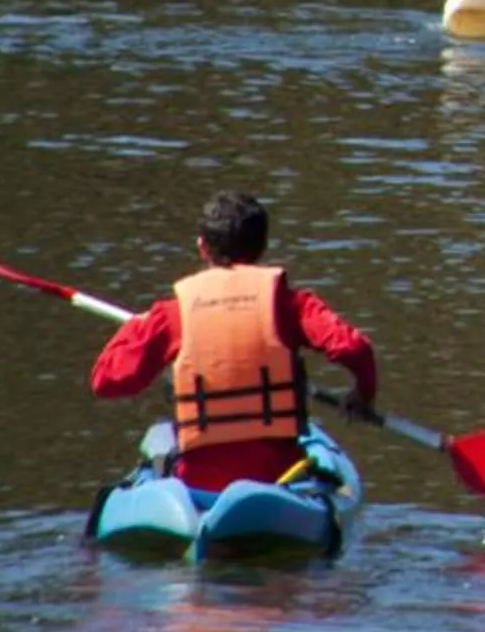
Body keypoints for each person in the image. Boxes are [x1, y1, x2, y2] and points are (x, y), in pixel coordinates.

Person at [90, 191, 379, 492]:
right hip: (278, 478)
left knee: (160, 439)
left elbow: (106, 380)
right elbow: (354, 348)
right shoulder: (289, 304)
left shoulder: (172, 314)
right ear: (263, 246)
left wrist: (137, 326)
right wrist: (362, 394)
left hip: (199, 486)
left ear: (202, 247)